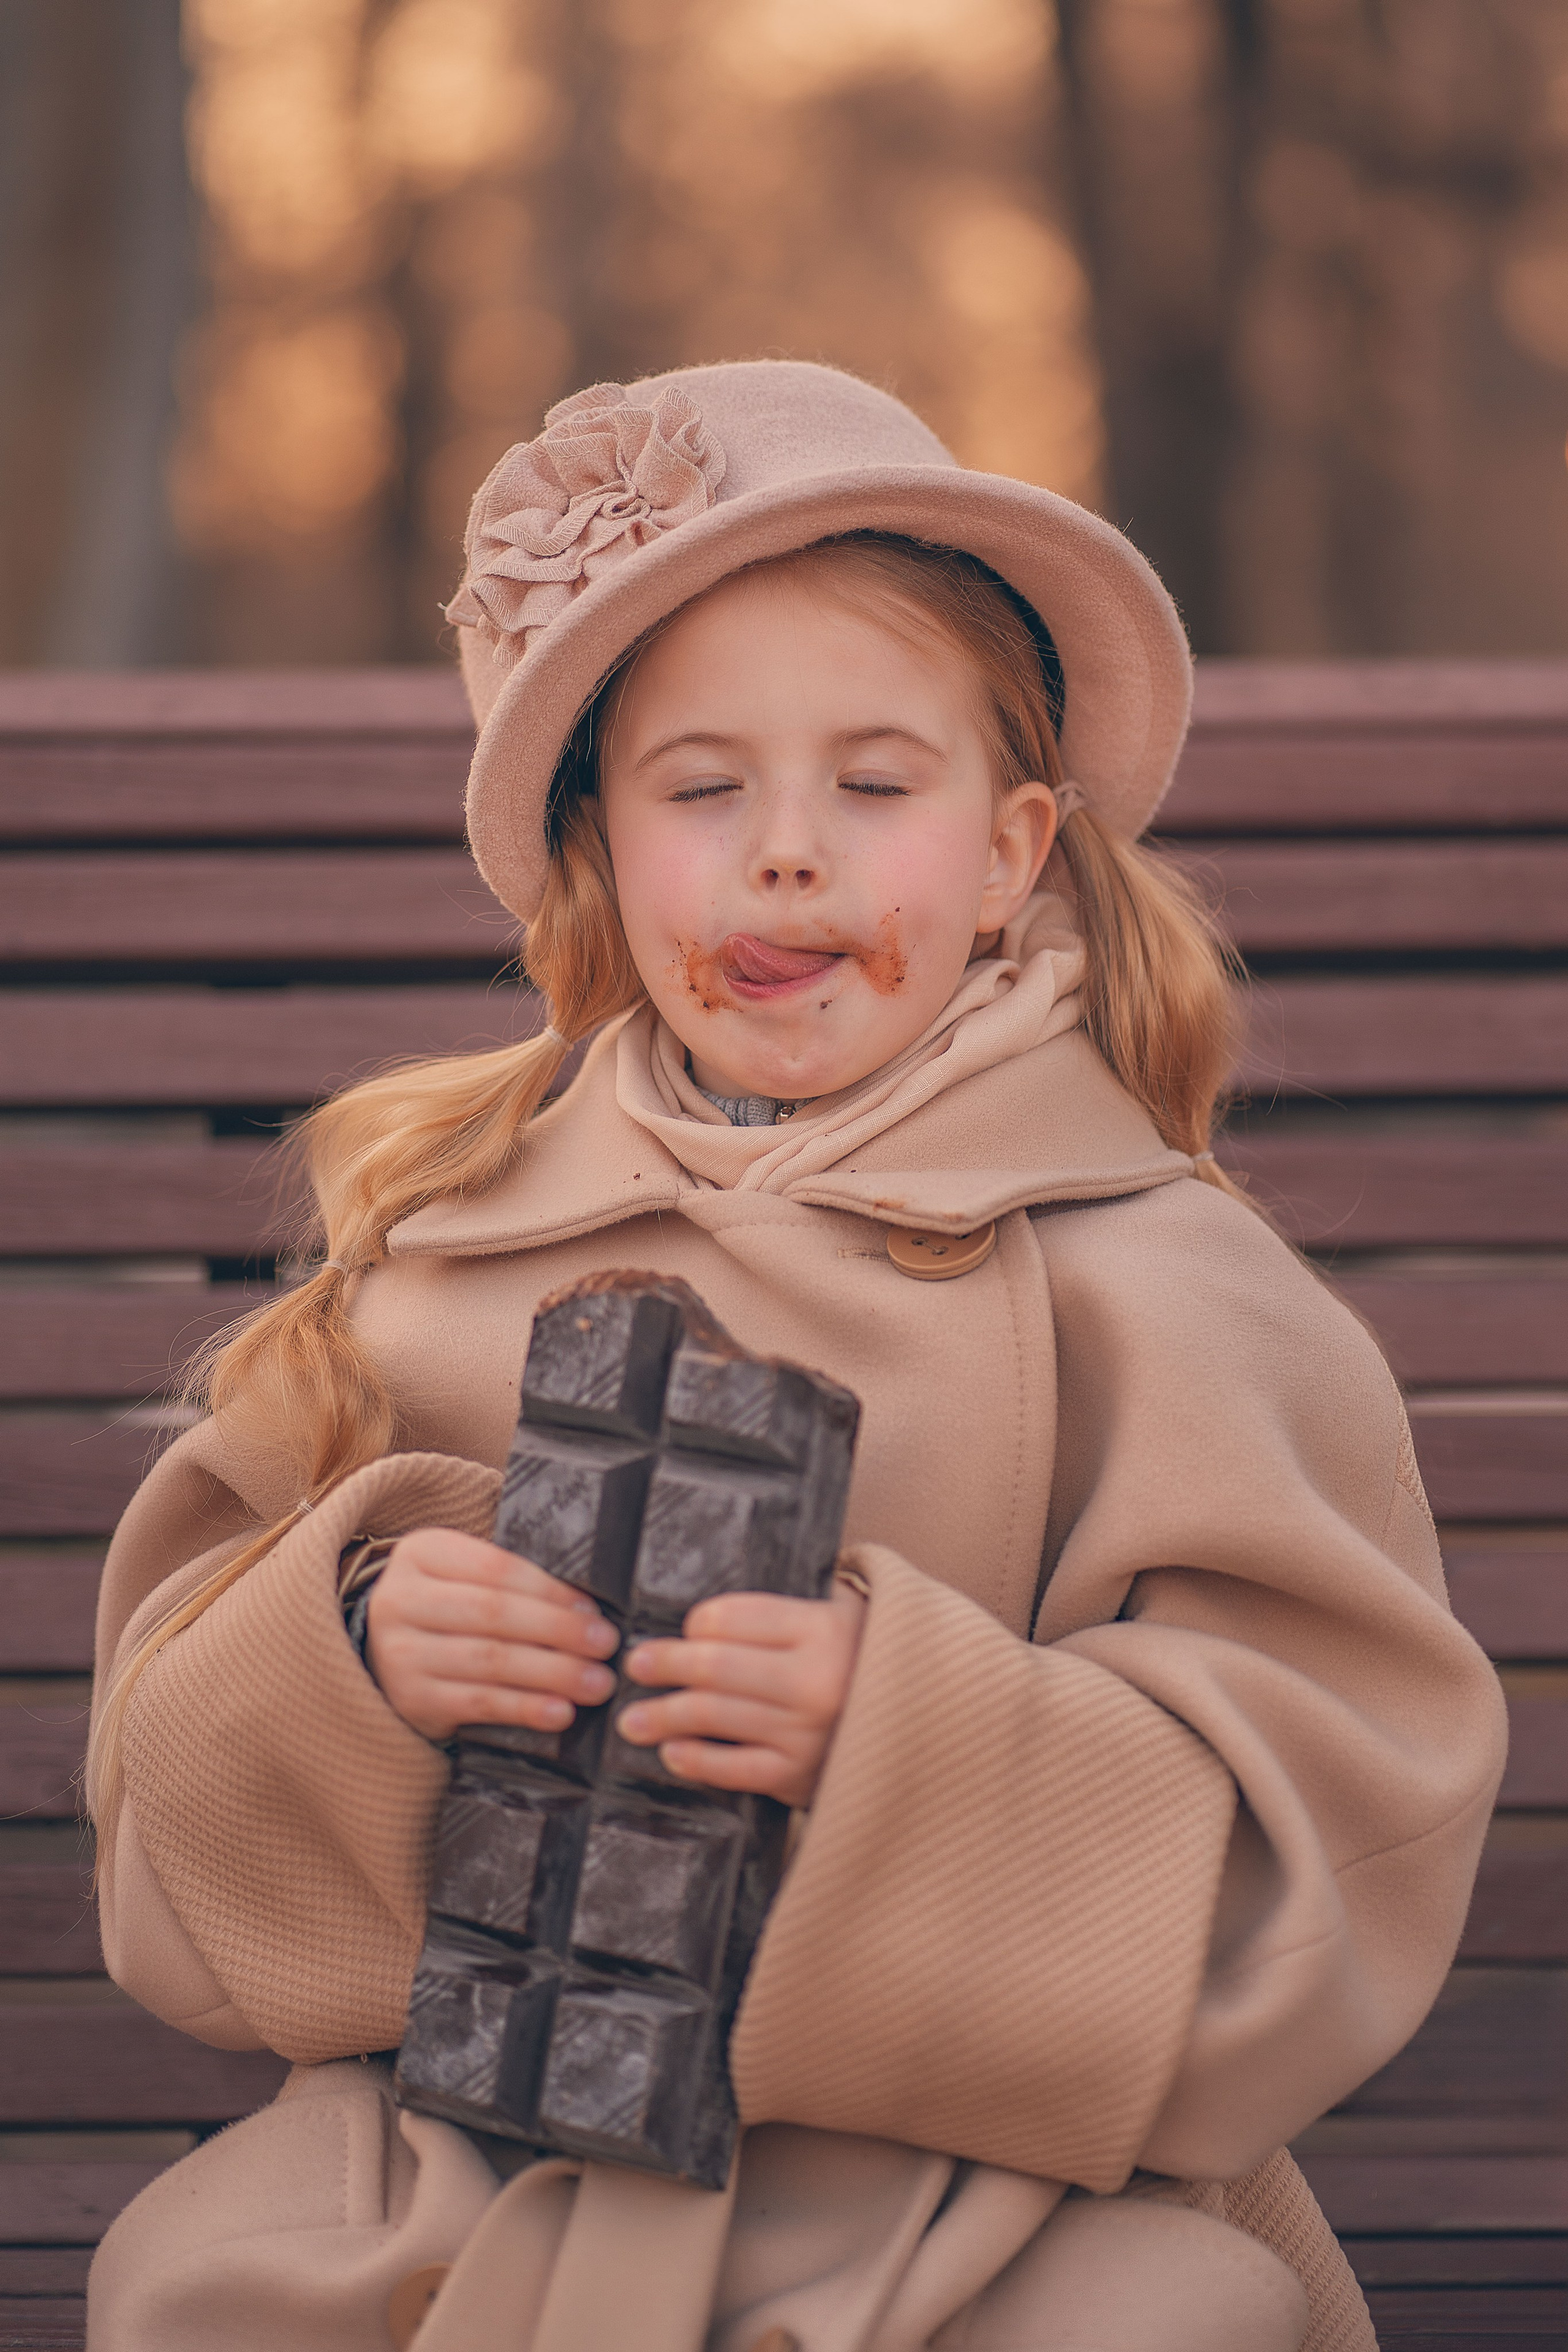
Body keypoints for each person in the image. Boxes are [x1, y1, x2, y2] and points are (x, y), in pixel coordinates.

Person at [84, 362, 1506, 2352]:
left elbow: (1337, 1819)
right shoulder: (441, 1265)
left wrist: (902, 1735)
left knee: (1164, 2327)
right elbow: (180, 1859)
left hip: (990, 2178)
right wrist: (359, 1648)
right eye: (702, 788)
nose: (785, 855)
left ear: (1012, 851)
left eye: (871, 782)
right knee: (190, 2283)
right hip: (478, 2155)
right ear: (601, 853)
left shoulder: (1168, 1288)